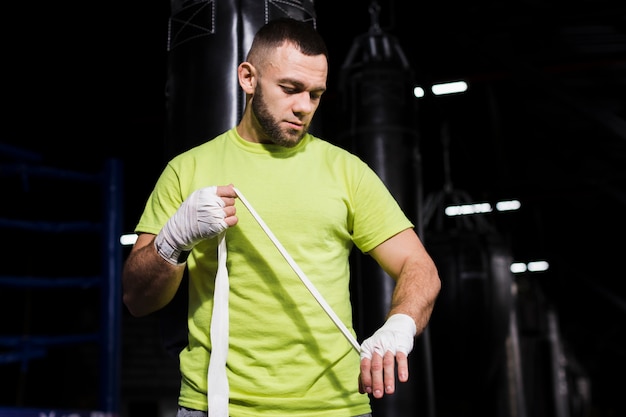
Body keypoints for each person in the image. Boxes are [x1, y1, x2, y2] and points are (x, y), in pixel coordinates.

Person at [122, 17, 440, 417]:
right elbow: (136, 299)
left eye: (315, 94)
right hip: (217, 406)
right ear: (248, 78)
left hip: (335, 406)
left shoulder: (346, 171)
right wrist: (172, 242)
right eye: (290, 89)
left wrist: (401, 327)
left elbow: (420, 267)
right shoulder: (187, 170)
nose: (303, 107)